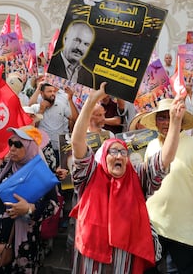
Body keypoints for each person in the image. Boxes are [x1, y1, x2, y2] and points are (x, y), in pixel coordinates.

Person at [69, 82, 185, 273]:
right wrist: (92, 100)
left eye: (123, 152)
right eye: (113, 151)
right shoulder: (89, 174)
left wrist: (175, 122)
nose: (119, 156)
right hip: (90, 261)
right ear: (103, 157)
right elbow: (76, 142)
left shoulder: (137, 177)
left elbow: (165, 159)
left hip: (124, 260)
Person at [140, 98, 193, 274]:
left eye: (170, 117)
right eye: (161, 117)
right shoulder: (151, 146)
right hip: (153, 228)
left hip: (184, 234)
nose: (166, 122)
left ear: (181, 121)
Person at [0, 125, 58, 273]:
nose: (12, 148)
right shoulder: (5, 168)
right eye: (10, 143)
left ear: (30, 147)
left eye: (18, 145)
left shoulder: (41, 174)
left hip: (22, 248)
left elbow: (52, 206)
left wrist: (29, 209)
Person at [48, 21, 96, 89]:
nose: (80, 48)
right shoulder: (50, 64)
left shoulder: (88, 76)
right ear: (65, 39)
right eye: (77, 40)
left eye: (86, 44)